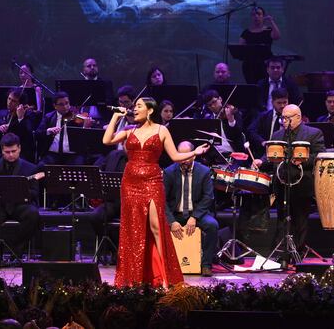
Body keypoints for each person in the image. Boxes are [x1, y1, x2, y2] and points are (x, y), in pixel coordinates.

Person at [102, 97, 209, 287]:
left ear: (150, 110)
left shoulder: (161, 130)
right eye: (134, 107)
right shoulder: (130, 130)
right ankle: (134, 278)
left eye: (139, 106)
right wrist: (116, 117)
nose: (135, 109)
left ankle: (166, 278)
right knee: (133, 229)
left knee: (156, 227)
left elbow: (175, 156)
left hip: (152, 182)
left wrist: (195, 153)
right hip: (130, 183)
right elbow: (106, 140)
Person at [269, 104, 325, 265]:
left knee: (300, 220)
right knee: (282, 218)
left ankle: (297, 253)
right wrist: (261, 160)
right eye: (283, 118)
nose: (284, 121)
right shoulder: (277, 134)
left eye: (288, 118)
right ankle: (282, 254)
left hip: (302, 184)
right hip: (282, 183)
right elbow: (272, 156)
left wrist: (303, 160)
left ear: (298, 117)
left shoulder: (313, 133)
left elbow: (319, 155)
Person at [0, 133, 41, 266]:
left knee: (33, 215)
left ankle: (16, 252)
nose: (11, 155)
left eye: (14, 151)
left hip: (19, 205)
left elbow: (35, 192)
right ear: (2, 150)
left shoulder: (30, 168)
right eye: (7, 152)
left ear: (19, 149)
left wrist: (20, 191)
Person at [163, 141, 219, 277]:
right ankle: (165, 265)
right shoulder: (169, 172)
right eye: (180, 156)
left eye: (187, 156)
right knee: (156, 225)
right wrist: (171, 221)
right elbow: (162, 200)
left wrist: (194, 217)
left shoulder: (204, 171)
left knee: (212, 225)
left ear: (193, 155)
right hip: (175, 214)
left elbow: (208, 197)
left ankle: (206, 265)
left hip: (196, 213)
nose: (183, 159)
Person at [34, 91, 87, 171]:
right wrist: (48, 130)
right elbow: (37, 134)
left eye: (67, 103)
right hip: (53, 154)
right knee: (39, 168)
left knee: (79, 169)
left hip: (72, 155)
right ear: (55, 106)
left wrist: (85, 126)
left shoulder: (75, 117)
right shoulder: (48, 117)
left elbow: (83, 138)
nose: (65, 107)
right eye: (61, 104)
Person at [0, 88, 37, 161]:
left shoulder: (29, 116)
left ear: (20, 104)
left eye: (14, 101)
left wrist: (20, 118)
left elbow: (29, 136)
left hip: (19, 153)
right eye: (9, 99)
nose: (9, 102)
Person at [239, 6, 280, 84]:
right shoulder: (246, 32)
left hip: (265, 64)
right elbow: (241, 48)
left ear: (263, 16)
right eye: (253, 14)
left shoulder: (268, 30)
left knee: (264, 85)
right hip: (249, 65)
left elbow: (277, 36)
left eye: (258, 14)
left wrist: (271, 21)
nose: (256, 16)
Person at [247, 87, 289, 158]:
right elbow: (251, 130)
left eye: (285, 102)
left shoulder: (292, 118)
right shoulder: (263, 116)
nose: (282, 106)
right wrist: (262, 142)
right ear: (272, 102)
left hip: (286, 154)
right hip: (265, 153)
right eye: (279, 103)